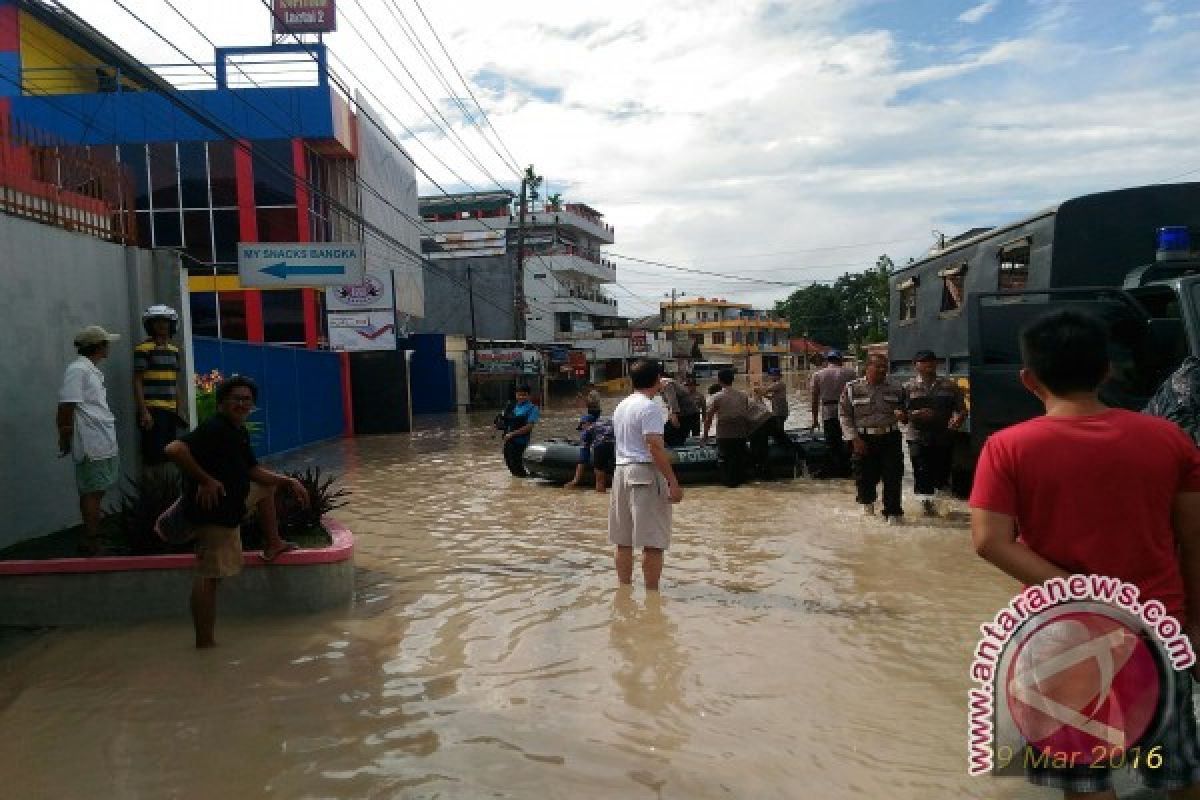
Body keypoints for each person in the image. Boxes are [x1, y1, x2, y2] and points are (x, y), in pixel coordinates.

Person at [970, 309, 1200, 798]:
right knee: (1175, 774)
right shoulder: (1170, 439)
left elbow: (990, 541)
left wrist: (1086, 595)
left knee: (1084, 782)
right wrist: (1194, 623)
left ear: (1029, 380)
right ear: (1106, 371)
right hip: (1160, 627)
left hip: (1065, 635)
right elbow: (1195, 541)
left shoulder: (1006, 447)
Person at [163, 376, 308, 648]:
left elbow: (253, 471)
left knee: (265, 487)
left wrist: (288, 481)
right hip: (214, 512)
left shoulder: (237, 430)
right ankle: (205, 646)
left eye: (247, 400)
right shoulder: (215, 428)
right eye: (236, 399)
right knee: (210, 576)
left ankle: (273, 543)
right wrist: (205, 480)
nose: (242, 404)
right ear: (221, 403)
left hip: (234, 502)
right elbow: (174, 449)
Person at [608, 359, 682, 591]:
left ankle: (624, 590)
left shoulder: (622, 405)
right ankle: (652, 596)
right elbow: (654, 448)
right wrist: (673, 482)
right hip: (644, 473)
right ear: (657, 379)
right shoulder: (650, 408)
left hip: (620, 472)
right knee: (652, 543)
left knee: (623, 541)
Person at [57, 325, 121, 556]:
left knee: (97, 490)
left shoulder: (89, 370)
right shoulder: (78, 370)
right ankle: (92, 542)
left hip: (101, 440)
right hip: (92, 443)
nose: (108, 347)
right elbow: (66, 405)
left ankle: (92, 538)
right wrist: (64, 435)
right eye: (106, 344)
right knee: (92, 492)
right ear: (99, 346)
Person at [839, 353, 907, 523]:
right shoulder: (852, 388)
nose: (883, 370)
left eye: (885, 367)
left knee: (893, 476)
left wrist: (904, 415)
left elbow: (906, 413)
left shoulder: (898, 388)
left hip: (890, 437)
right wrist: (854, 439)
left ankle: (893, 515)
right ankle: (867, 510)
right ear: (867, 367)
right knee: (864, 478)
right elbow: (844, 415)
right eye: (878, 366)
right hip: (863, 439)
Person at [901, 350, 966, 515]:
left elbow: (962, 409)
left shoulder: (950, 386)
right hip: (917, 436)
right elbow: (899, 414)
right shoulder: (907, 388)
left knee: (941, 474)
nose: (928, 364)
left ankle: (940, 507)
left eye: (931, 361)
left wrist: (958, 419)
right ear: (915, 365)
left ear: (936, 364)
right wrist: (915, 414)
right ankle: (926, 510)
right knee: (921, 472)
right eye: (923, 361)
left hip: (942, 436)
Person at [133, 305, 184, 474]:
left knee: (169, 453)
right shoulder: (143, 349)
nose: (162, 326)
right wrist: (143, 411)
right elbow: (137, 380)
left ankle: (166, 495)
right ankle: (153, 496)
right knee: (153, 457)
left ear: (172, 325)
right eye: (157, 322)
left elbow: (174, 380)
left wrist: (179, 408)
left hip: (170, 410)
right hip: (153, 409)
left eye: (165, 322)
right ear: (150, 325)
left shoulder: (175, 350)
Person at [702, 368, 752, 488]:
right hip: (740, 434)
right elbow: (746, 416)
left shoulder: (717, 397)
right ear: (733, 380)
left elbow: (708, 419)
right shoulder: (743, 396)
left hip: (724, 435)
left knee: (726, 463)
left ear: (719, 380)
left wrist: (705, 435)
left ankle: (729, 485)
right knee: (739, 462)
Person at [810, 350, 857, 478]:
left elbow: (814, 399)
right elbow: (858, 395)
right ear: (840, 360)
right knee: (850, 439)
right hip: (848, 411)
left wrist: (814, 419)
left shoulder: (818, 375)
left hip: (828, 412)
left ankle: (836, 470)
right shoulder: (851, 373)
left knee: (832, 443)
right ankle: (849, 468)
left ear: (827, 360)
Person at [564, 414, 615, 492]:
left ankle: (600, 496)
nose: (582, 430)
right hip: (617, 446)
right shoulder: (608, 421)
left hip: (601, 447)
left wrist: (575, 480)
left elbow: (583, 458)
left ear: (586, 423)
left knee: (599, 479)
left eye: (582, 426)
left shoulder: (588, 430)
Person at [499, 384, 540, 477]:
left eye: (524, 395)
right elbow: (503, 420)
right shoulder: (511, 406)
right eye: (519, 394)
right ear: (516, 395)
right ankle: (518, 487)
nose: (521, 397)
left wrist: (512, 434)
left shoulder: (533, 408)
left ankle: (525, 485)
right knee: (510, 466)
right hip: (508, 440)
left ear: (529, 396)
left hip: (520, 442)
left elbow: (529, 426)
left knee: (518, 467)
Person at [660, 375, 688, 447]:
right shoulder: (663, 385)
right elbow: (669, 403)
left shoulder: (666, 384)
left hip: (685, 413)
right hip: (683, 413)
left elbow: (673, 402)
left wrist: (673, 416)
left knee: (669, 435)